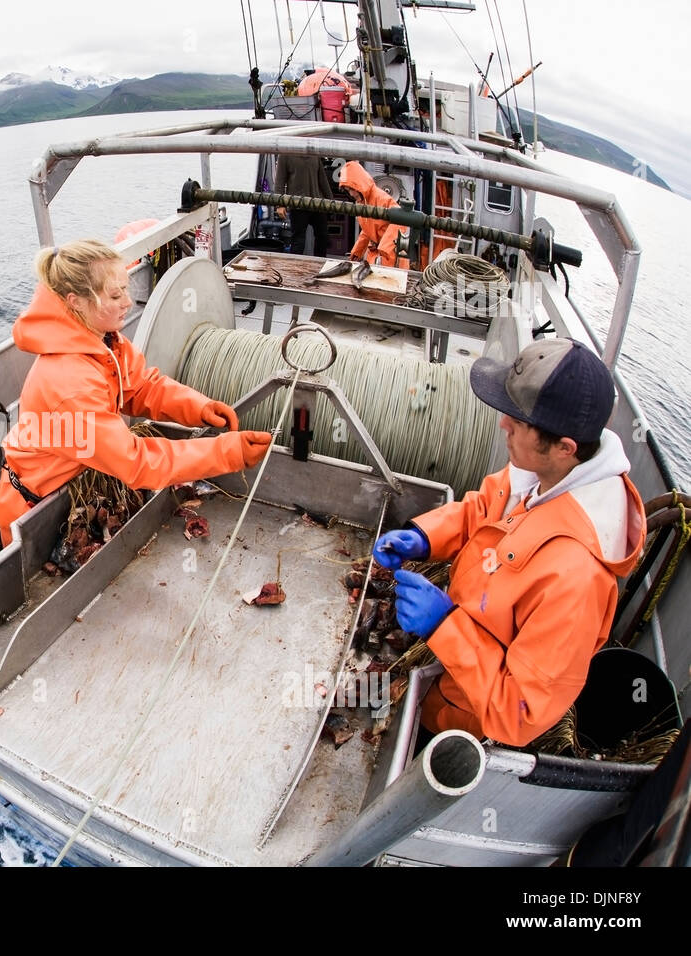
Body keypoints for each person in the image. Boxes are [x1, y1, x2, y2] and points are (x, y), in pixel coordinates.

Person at [371, 338, 646, 747]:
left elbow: (520, 712)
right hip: (439, 674)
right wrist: (424, 537)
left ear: (564, 448)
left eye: (517, 422)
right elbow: (483, 509)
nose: (503, 425)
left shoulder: (577, 581)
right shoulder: (541, 473)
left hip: (465, 725)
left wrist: (444, 626)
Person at [0, 239, 272, 546]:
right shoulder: (68, 383)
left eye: (126, 288)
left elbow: (139, 386)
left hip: (77, 484)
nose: (129, 301)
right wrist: (226, 453)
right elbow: (134, 462)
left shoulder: (102, 341)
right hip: (35, 512)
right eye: (116, 294)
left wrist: (198, 408)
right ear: (75, 301)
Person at [339, 160, 409, 269]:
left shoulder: (381, 198)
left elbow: (402, 220)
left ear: (360, 184)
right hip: (376, 256)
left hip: (390, 256)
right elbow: (367, 231)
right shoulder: (361, 202)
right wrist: (357, 252)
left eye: (353, 188)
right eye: (348, 190)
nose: (351, 194)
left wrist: (384, 248)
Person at [274, 154, 333, 257]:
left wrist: (331, 201)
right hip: (297, 206)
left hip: (317, 204)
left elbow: (322, 180)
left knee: (323, 237)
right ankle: (295, 270)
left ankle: (320, 267)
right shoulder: (285, 154)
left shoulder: (314, 154)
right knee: (298, 241)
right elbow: (279, 181)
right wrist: (280, 205)